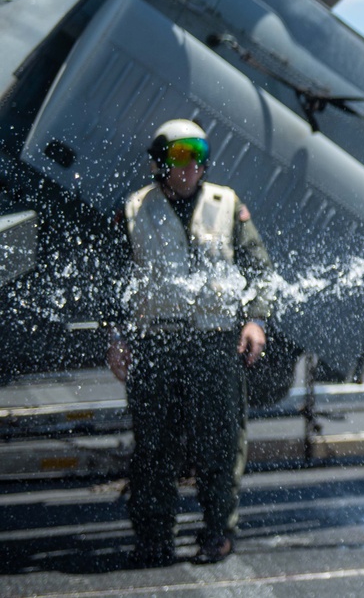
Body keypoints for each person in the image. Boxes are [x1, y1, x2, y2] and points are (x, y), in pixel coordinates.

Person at [106, 119, 274, 567]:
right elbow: (113, 284)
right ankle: (154, 536)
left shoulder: (227, 204)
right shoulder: (133, 210)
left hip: (214, 344)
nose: (190, 166)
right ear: (160, 162)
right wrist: (116, 337)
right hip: (156, 344)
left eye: (198, 154)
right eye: (180, 156)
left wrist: (255, 320)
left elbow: (260, 271)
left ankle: (218, 531)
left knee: (219, 444)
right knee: (154, 447)